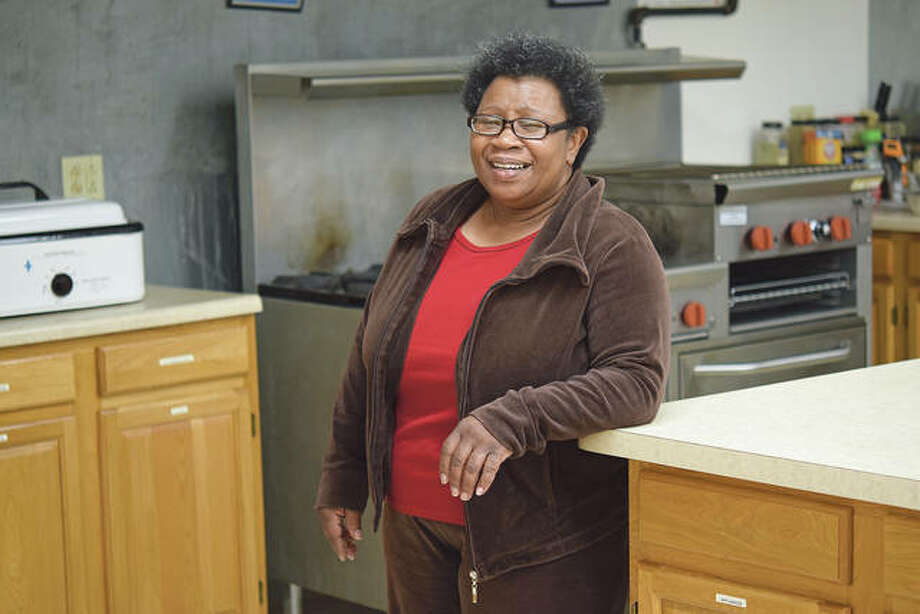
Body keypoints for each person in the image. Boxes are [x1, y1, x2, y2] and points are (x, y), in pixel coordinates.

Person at [316, 32, 670, 614]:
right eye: (489, 122)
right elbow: (369, 357)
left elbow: (636, 382)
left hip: (540, 544)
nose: (507, 141)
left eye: (532, 126)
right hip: (413, 526)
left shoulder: (611, 244)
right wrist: (344, 475)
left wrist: (514, 417)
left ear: (574, 141)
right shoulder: (429, 222)